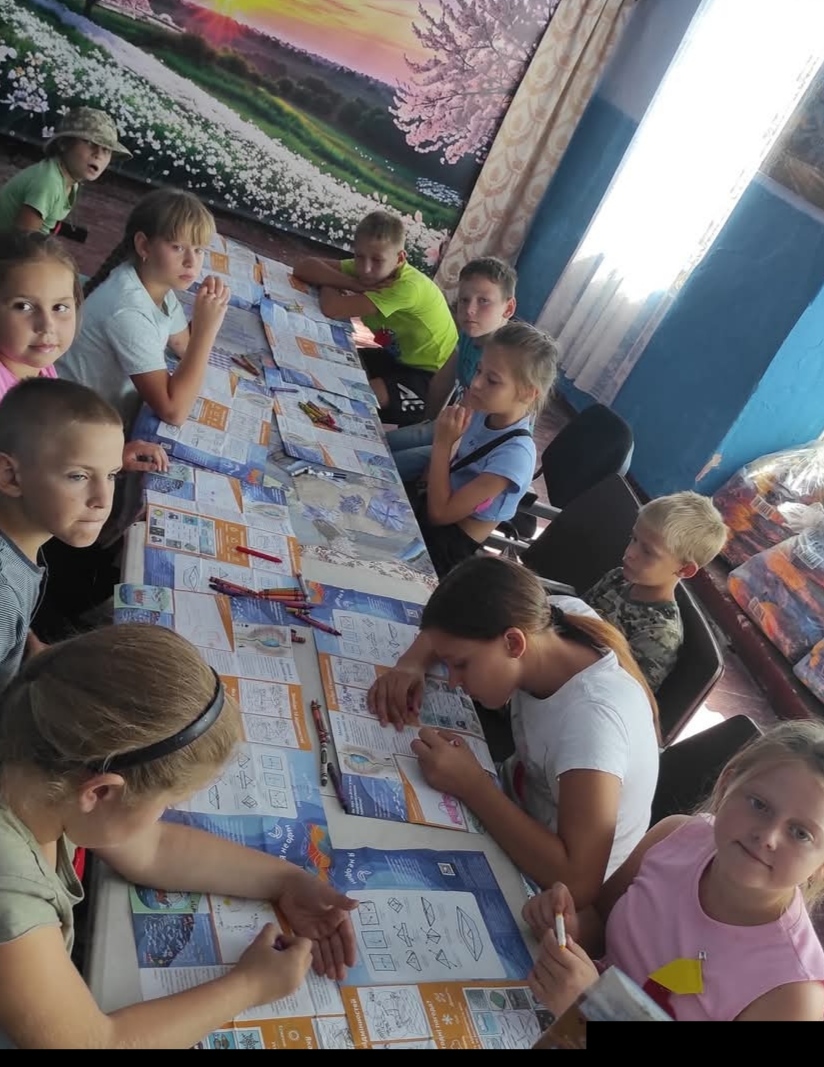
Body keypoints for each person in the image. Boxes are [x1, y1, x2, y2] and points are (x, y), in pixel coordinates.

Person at [0, 623, 357, 1049]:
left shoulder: (43, 763)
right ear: (100, 792)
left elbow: (154, 850)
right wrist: (250, 986)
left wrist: (286, 881)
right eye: (166, 803)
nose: (164, 816)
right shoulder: (11, 892)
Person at [367, 556, 660, 902]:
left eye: (461, 665)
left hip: (549, 887)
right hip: (515, 800)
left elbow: (577, 883)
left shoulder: (593, 723)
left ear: (513, 644)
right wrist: (412, 663)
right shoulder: (552, 617)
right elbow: (453, 627)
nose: (454, 681)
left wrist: (472, 786)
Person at [525, 721, 824, 1022]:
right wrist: (567, 928)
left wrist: (591, 1007)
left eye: (801, 833)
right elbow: (599, 925)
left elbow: (587, 1001)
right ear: (726, 786)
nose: (768, 837)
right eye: (759, 805)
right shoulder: (676, 835)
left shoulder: (795, 994)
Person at [58, 188, 229, 434]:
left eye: (199, 250)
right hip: (74, 427)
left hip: (99, 416)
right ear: (144, 246)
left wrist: (207, 313)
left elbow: (183, 346)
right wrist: (206, 329)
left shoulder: (156, 284)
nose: (191, 262)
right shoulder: (127, 310)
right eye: (178, 247)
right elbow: (174, 411)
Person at [0, 230, 167, 471]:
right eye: (23, 306)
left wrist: (106, 459)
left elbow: (47, 447)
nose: (47, 325)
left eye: (60, 307)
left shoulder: (38, 365)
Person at [0, 377, 125, 693]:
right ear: (10, 476)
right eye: (78, 476)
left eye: (112, 475)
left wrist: (26, 646)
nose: (102, 499)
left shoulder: (23, 541)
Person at [414, 321, 556, 578]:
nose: (476, 383)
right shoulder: (484, 410)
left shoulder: (515, 457)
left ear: (528, 393)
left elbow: (439, 515)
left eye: (492, 380)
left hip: (443, 550)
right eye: (479, 370)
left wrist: (443, 444)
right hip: (426, 511)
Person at [292, 210, 457, 426]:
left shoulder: (406, 287)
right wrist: (353, 284)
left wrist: (332, 280)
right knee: (331, 367)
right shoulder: (368, 272)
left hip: (430, 376)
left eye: (377, 260)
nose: (366, 268)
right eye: (359, 256)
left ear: (400, 259)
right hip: (396, 357)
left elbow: (332, 308)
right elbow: (304, 266)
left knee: (357, 397)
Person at [386, 256, 517, 483]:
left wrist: (438, 458)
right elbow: (443, 381)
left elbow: (475, 428)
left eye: (484, 301)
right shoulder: (470, 333)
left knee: (386, 464)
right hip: (457, 426)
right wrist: (426, 422)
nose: (470, 310)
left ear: (508, 308)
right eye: (464, 300)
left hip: (477, 451)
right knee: (382, 443)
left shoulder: (504, 358)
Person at [582, 491, 728, 691]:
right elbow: (574, 616)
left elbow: (624, 695)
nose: (630, 553)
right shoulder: (617, 578)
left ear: (685, 570)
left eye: (648, 552)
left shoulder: (660, 633)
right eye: (633, 538)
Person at [0, 107, 130, 235]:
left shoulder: (70, 181)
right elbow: (21, 241)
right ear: (64, 143)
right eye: (90, 143)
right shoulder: (49, 182)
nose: (98, 155)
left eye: (106, 150)